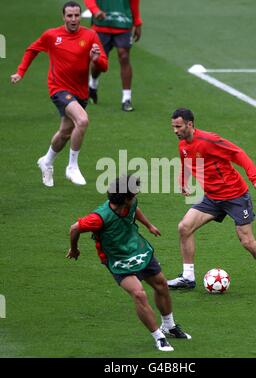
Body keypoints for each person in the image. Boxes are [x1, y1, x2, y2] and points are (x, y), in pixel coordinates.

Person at [67, 175, 191, 352]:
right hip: (117, 260)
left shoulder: (129, 202)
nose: (136, 195)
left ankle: (169, 327)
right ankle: (158, 337)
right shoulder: (99, 218)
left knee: (161, 285)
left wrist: (149, 225)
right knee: (139, 294)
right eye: (133, 194)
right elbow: (74, 228)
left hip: (138, 250)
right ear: (124, 198)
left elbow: (135, 208)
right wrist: (74, 249)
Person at [167, 108, 256, 293]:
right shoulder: (183, 145)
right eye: (173, 127)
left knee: (247, 241)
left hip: (235, 196)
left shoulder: (208, 140)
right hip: (212, 198)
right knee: (184, 227)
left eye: (178, 126)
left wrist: (255, 178)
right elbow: (186, 164)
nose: (175, 131)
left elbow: (237, 153)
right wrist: (183, 182)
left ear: (190, 124)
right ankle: (187, 277)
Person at [11, 1, 108, 187]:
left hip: (80, 92)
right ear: (63, 17)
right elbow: (32, 50)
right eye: (69, 16)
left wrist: (96, 59)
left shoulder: (91, 35)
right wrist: (20, 72)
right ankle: (72, 167)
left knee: (65, 133)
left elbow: (104, 65)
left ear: (81, 16)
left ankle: (46, 161)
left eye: (77, 15)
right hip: (59, 89)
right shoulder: (51, 35)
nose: (73, 19)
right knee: (83, 120)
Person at [83, 0, 142, 111]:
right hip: (101, 25)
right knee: (98, 61)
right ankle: (93, 85)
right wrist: (95, 10)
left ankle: (126, 99)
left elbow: (134, 1)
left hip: (123, 23)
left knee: (124, 56)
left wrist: (137, 22)